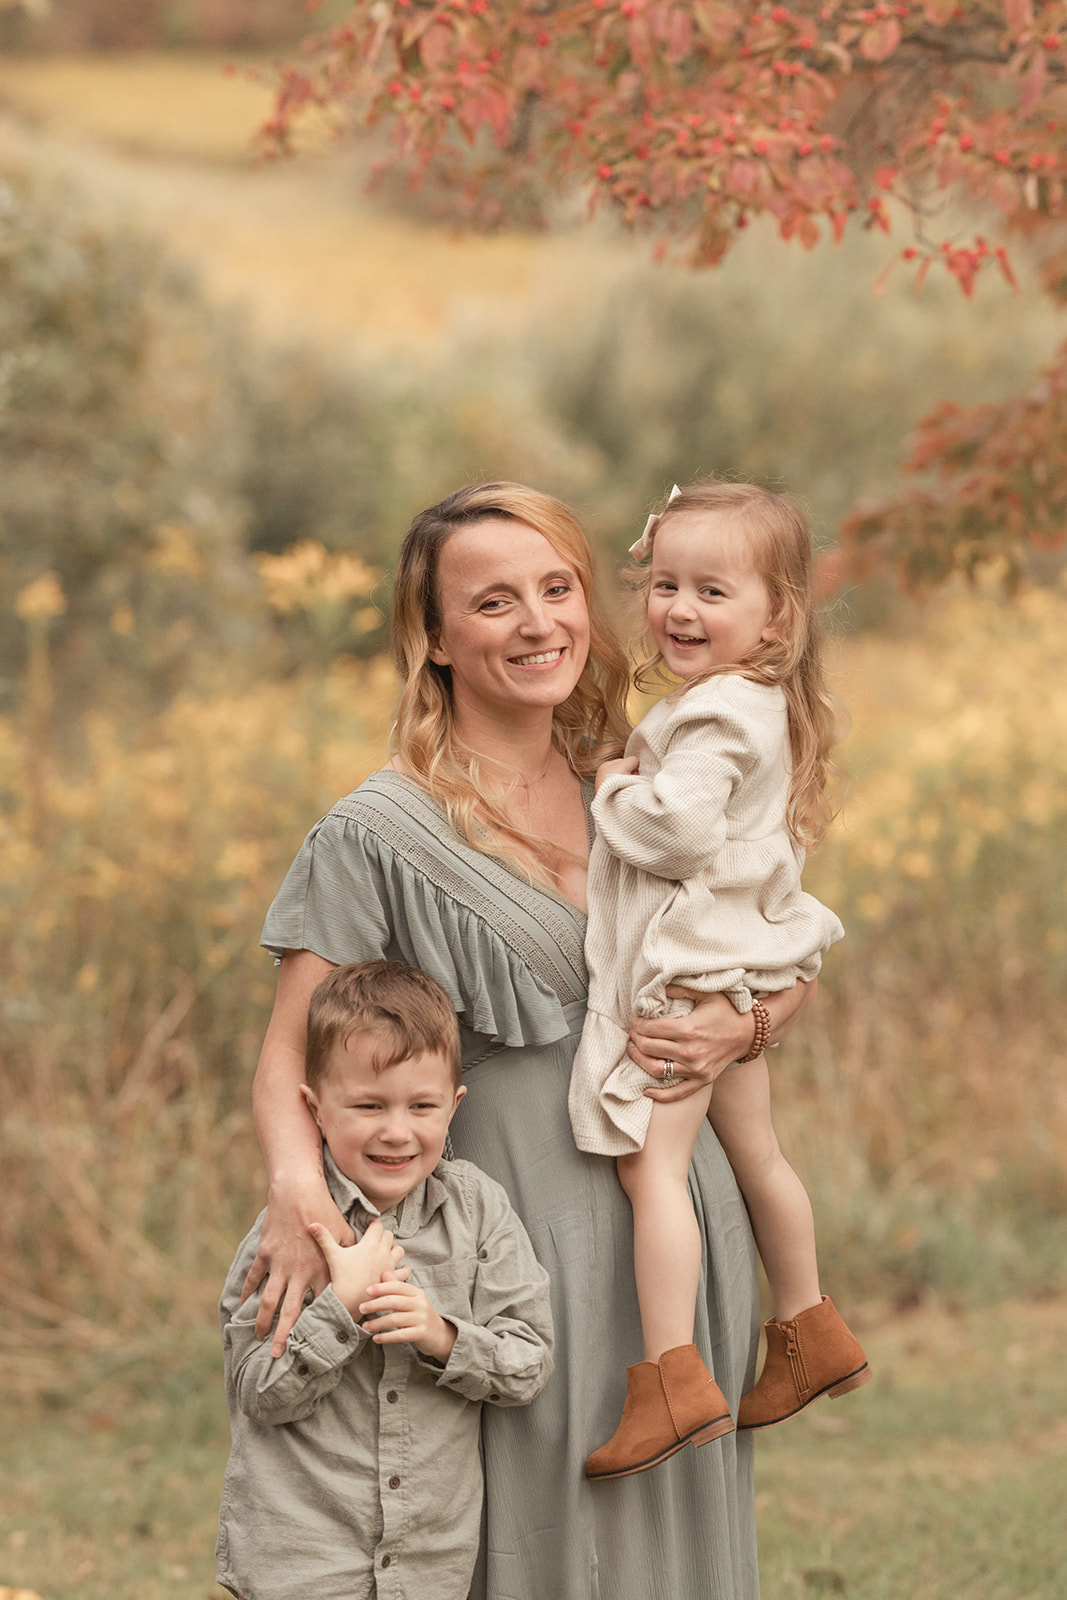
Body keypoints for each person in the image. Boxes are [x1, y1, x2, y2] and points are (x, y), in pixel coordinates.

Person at [243, 482, 816, 1600]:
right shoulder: (378, 829)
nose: (538, 622)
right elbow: (284, 1062)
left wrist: (748, 1021)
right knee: (542, 1545)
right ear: (437, 637)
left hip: (684, 1223)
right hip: (509, 1244)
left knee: (676, 1543)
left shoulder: (647, 774)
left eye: (557, 589)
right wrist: (293, 1194)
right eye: (493, 602)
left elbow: (774, 947)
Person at [569, 481, 870, 1481]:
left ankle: (669, 1372)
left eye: (710, 589)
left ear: (774, 614)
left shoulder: (708, 721)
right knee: (758, 1155)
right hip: (742, 967)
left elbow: (678, 831)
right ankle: (806, 1322)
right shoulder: (759, 703)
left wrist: (614, 786)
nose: (679, 610)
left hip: (690, 970)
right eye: (662, 585)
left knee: (647, 1169)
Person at [217, 959, 553, 1600]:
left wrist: (441, 1336)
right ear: (316, 1108)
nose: (397, 1131)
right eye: (368, 1106)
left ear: (454, 1106)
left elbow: (528, 1363)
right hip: (302, 1556)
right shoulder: (291, 1232)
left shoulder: (478, 1213)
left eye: (421, 1106)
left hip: (430, 1558)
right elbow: (258, 1394)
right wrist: (339, 1311)